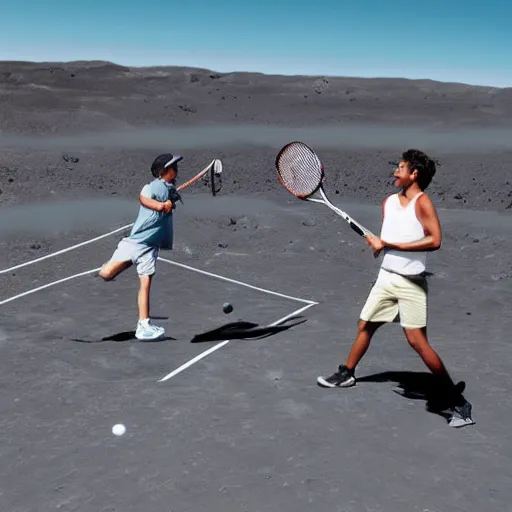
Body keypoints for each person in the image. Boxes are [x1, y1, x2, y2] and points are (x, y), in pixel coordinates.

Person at [317, 149, 475, 428]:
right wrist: (381, 246)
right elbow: (393, 237)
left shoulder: (423, 203)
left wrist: (389, 245)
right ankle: (347, 374)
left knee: (417, 342)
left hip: (411, 283)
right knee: (365, 325)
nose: (394, 172)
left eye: (400, 168)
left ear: (414, 174)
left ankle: (457, 403)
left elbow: (435, 240)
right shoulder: (388, 202)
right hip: (386, 278)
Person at [98, 153, 183, 341]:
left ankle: (143, 325)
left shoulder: (169, 189)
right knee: (106, 274)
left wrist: (171, 201)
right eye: (173, 167)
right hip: (135, 242)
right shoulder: (150, 187)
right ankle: (112, 267)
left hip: (150, 247)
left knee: (145, 282)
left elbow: (168, 200)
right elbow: (144, 199)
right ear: (163, 171)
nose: (177, 170)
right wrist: (162, 206)